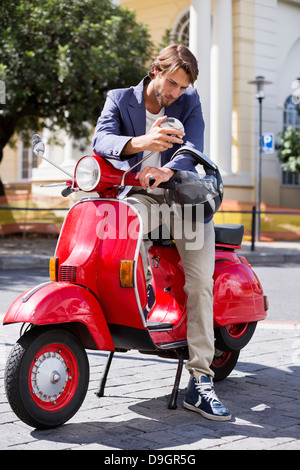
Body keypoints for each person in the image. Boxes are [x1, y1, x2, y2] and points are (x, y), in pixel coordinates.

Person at [92, 44, 231, 421]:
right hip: (140, 197)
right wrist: (140, 144)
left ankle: (201, 380)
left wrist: (171, 169)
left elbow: (193, 146)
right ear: (154, 70)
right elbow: (101, 140)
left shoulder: (189, 101)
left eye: (181, 88)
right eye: (170, 83)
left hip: (183, 197)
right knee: (116, 227)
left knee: (201, 280)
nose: (174, 94)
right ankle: (141, 299)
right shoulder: (120, 100)